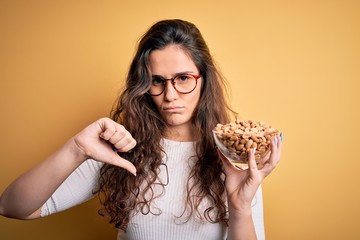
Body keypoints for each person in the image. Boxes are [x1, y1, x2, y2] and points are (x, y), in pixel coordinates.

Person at [0, 19, 282, 240]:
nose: (170, 95)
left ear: (204, 79)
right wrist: (77, 149)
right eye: (156, 81)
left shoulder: (233, 157)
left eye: (183, 78)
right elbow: (11, 207)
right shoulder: (121, 150)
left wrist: (240, 207)